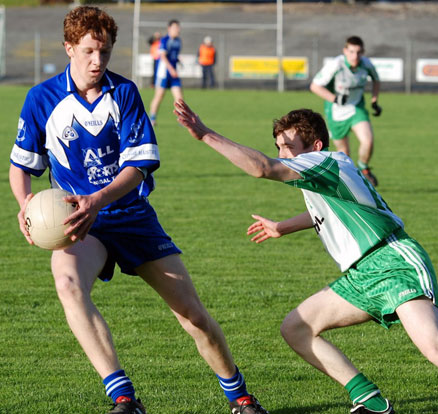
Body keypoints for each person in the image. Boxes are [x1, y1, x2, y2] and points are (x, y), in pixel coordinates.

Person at [9, 7, 268, 414]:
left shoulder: (124, 93)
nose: (98, 61)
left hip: (131, 217)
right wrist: (26, 206)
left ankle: (240, 396)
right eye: (90, 51)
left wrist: (97, 199)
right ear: (69, 48)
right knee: (68, 285)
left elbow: (137, 167)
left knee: (192, 316)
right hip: (80, 225)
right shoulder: (41, 99)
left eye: (106, 52)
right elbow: (21, 167)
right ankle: (124, 397)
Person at [174, 99, 438, 414]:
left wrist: (205, 134)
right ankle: (370, 402)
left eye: (288, 146)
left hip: (393, 262)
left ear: (315, 145)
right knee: (296, 328)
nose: (282, 155)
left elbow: (262, 168)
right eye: (278, 146)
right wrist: (282, 227)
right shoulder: (322, 175)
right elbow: (325, 209)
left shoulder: (327, 162)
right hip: (362, 274)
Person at [310, 35, 382, 187]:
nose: (355, 56)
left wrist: (374, 100)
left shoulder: (366, 64)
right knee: (344, 155)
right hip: (336, 113)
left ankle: (364, 168)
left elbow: (376, 79)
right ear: (345, 51)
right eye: (351, 52)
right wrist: (335, 98)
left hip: (356, 108)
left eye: (358, 52)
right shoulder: (336, 65)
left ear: (363, 52)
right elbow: (315, 86)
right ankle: (349, 185)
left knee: (368, 141)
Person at [149, 19, 183, 127]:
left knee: (179, 97)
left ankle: (182, 119)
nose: (177, 30)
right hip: (163, 73)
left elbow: (173, 56)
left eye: (178, 28)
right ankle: (152, 118)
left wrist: (178, 61)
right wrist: (171, 69)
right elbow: (163, 56)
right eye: (175, 28)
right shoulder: (164, 40)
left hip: (173, 74)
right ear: (169, 29)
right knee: (159, 96)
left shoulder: (178, 41)